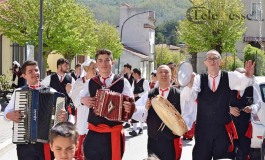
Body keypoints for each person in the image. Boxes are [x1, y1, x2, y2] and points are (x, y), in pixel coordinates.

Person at [181, 50, 255, 160]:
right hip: (203, 129)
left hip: (223, 129)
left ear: (220, 61)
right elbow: (190, 97)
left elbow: (244, 82)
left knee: (223, 157)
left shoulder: (229, 76)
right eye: (209, 58)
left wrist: (248, 75)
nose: (212, 60)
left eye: (215, 58)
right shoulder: (198, 79)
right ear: (205, 62)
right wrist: (189, 86)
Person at [4, 60, 68, 160]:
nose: (35, 73)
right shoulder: (19, 92)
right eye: (30, 71)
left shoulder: (53, 93)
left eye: (36, 70)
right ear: (24, 75)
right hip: (24, 143)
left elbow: (61, 119)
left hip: (45, 144)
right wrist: (9, 115)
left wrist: (64, 117)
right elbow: (6, 113)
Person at [79, 49, 134, 160]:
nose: (103, 64)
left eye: (107, 60)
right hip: (93, 134)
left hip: (113, 135)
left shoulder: (122, 82)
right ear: (96, 63)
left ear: (112, 62)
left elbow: (132, 105)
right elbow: (78, 99)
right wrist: (83, 100)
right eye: (100, 60)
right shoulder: (91, 82)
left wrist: (130, 107)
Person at [132, 65, 193, 160]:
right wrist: (145, 108)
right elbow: (136, 112)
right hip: (153, 141)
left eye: (166, 72)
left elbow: (188, 113)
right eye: (160, 72)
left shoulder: (179, 94)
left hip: (171, 141)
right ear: (156, 75)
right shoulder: (149, 93)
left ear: (171, 75)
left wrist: (181, 129)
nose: (163, 74)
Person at [66, 59, 97, 160]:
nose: (95, 70)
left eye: (96, 68)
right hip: (83, 113)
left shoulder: (98, 81)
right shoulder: (80, 82)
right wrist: (83, 100)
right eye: (93, 68)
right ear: (87, 69)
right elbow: (75, 99)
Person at [229, 67, 261, 160]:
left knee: (244, 152)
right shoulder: (228, 87)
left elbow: (258, 103)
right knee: (228, 152)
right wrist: (229, 109)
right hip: (229, 127)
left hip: (244, 127)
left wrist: (251, 108)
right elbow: (218, 104)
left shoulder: (252, 86)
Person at [129, 68, 150, 136]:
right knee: (134, 112)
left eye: (133, 73)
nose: (132, 75)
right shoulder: (134, 81)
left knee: (142, 113)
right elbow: (132, 89)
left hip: (142, 99)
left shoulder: (144, 81)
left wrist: (138, 94)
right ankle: (134, 130)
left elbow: (147, 91)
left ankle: (140, 128)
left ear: (136, 74)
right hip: (135, 99)